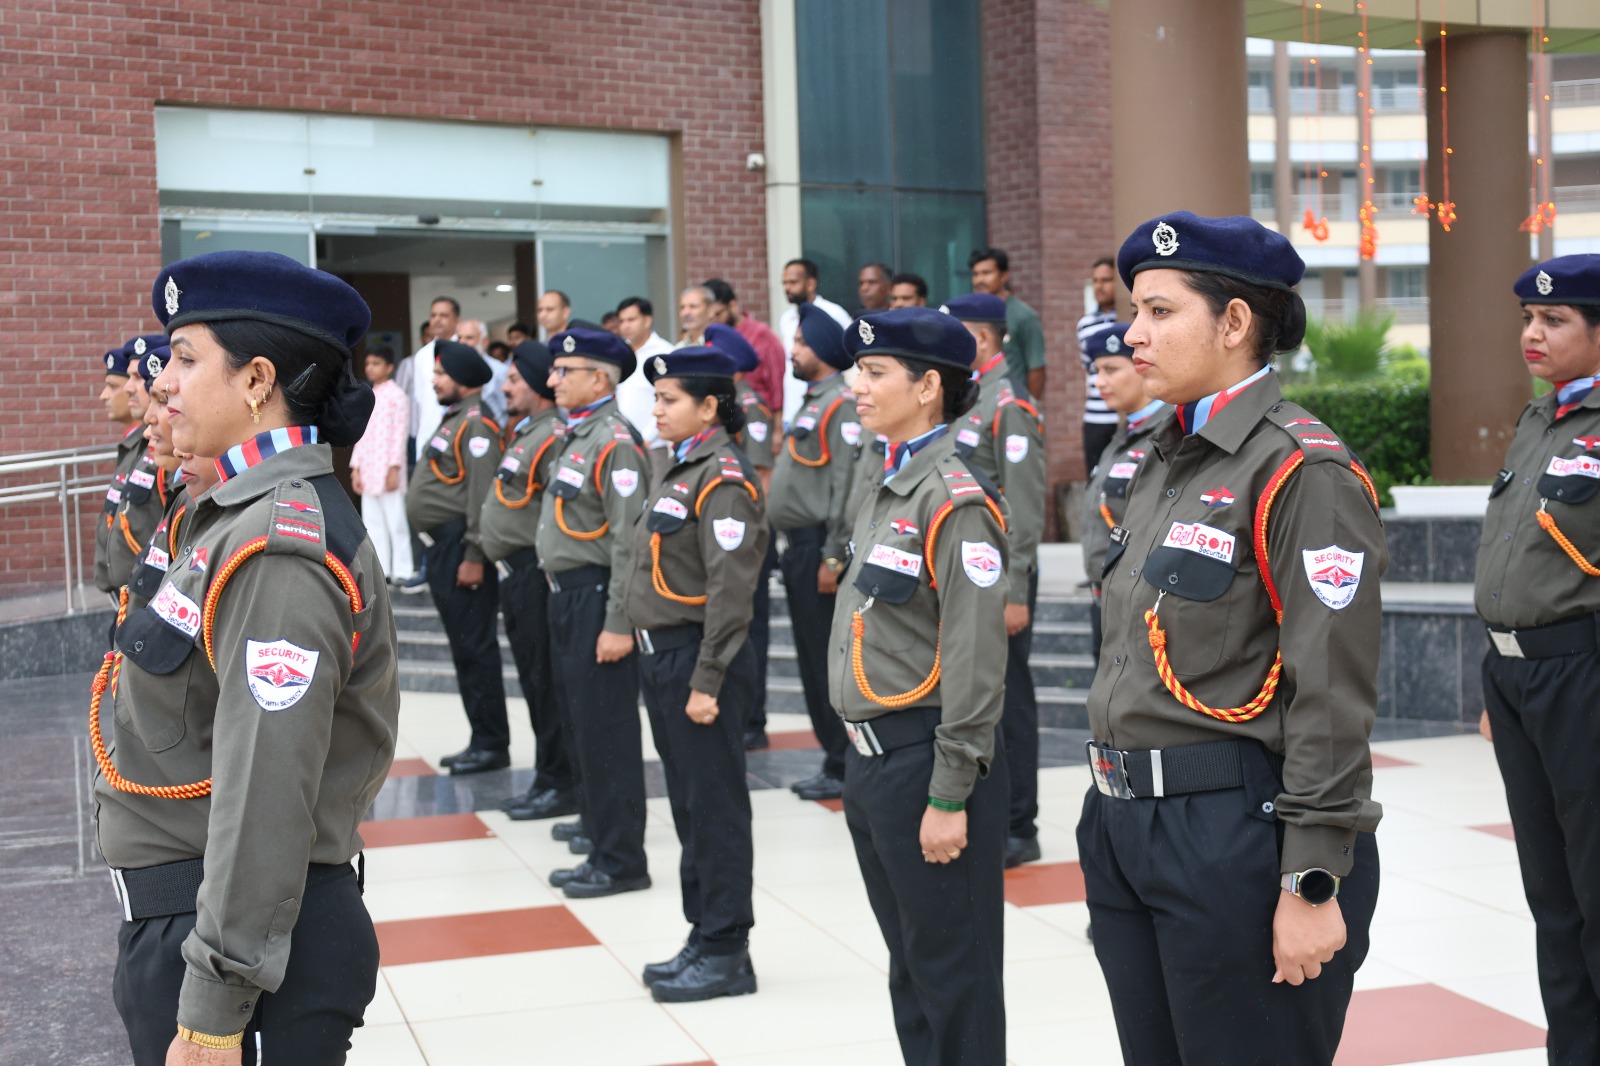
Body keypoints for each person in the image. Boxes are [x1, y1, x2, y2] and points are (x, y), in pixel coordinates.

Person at [1082, 212, 1385, 1065]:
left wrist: (1312, 878)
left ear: (1235, 322)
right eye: (1134, 312)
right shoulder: (1167, 457)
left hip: (1234, 834)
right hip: (1126, 823)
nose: (1133, 334)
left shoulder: (1300, 469)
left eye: (1159, 311)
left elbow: (1331, 689)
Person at [98, 249, 399, 1064]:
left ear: (258, 380)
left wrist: (213, 1011)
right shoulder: (226, 515)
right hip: (201, 919)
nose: (162, 383)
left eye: (185, 359)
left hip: (246, 950)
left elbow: (267, 794)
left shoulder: (273, 549)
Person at [828, 307, 1011, 1065]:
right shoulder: (889, 482)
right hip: (874, 762)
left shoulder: (954, 500)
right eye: (858, 372)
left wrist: (949, 793)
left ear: (929, 386)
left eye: (876, 373)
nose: (858, 387)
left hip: (925, 763)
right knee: (911, 966)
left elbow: (975, 659)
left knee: (954, 976)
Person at [1475, 254, 1600, 1064]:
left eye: (1555, 320)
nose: (1533, 332)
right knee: (1552, 896)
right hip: (1517, 677)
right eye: (1528, 318)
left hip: (1584, 672)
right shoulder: (1539, 421)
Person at [625, 345, 769, 1002]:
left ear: (709, 407)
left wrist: (708, 679)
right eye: (655, 399)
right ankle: (704, 931)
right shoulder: (680, 466)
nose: (657, 410)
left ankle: (727, 949)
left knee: (714, 809)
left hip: (698, 658)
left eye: (669, 399)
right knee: (688, 804)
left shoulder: (723, 479)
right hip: (664, 655)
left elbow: (731, 593)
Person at [536, 327, 653, 898]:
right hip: (566, 594)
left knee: (606, 729)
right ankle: (596, 827)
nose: (553, 379)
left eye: (565, 371)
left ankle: (621, 859)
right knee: (581, 722)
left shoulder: (615, 442)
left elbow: (630, 541)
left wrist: (618, 622)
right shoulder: (578, 434)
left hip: (596, 595)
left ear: (600, 379)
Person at [941, 294, 1047, 869]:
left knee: (1012, 704)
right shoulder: (972, 398)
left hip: (1002, 576)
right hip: (972, 573)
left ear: (980, 339)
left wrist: (1017, 589)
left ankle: (1019, 826)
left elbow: (1024, 507)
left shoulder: (1009, 404)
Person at [481, 341, 578, 824]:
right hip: (515, 575)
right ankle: (547, 776)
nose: (506, 387)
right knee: (534, 681)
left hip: (535, 573)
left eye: (516, 380)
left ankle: (560, 782)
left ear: (538, 384)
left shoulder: (552, 435)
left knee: (546, 683)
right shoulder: (527, 433)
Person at [405, 341, 510, 776]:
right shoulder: (456, 420)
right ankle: (480, 739)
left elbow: (483, 497)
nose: (434, 381)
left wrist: (474, 554)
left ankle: (491, 744)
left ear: (463, 379)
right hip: (443, 549)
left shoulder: (476, 425)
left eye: (442, 374)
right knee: (464, 648)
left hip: (460, 549)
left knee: (475, 648)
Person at [768, 304, 858, 800]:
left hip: (819, 548)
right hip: (798, 549)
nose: (793, 350)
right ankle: (832, 757)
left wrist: (833, 556)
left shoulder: (839, 404)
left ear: (823, 349)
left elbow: (846, 484)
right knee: (809, 659)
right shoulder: (813, 402)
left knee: (826, 661)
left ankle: (843, 761)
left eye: (802, 343)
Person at [1077, 321, 1169, 660]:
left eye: (1111, 369)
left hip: (1140, 603)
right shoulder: (1123, 435)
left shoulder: (1168, 434)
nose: (1100, 382)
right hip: (1105, 597)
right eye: (1096, 371)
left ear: (1143, 366)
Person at [706, 322, 778, 750]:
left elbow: (762, 476)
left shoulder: (751, 408)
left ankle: (754, 719)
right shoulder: (723, 405)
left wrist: (749, 540)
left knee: (751, 629)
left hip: (747, 539)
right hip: (727, 535)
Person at [93, 336, 163, 599]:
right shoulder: (138, 445)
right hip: (126, 597)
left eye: (138, 377)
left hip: (146, 598)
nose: (129, 389)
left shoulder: (164, 449)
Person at [350, 346, 415, 586]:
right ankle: (382, 571)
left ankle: (403, 570)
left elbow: (400, 433)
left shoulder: (397, 396)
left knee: (396, 522)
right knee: (373, 523)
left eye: (376, 363)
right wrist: (356, 468)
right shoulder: (368, 395)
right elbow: (361, 435)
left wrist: (395, 468)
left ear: (389, 367)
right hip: (368, 467)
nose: (370, 368)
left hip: (388, 468)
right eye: (368, 364)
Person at [776, 258, 853, 422]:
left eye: (793, 282)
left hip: (828, 405)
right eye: (784, 283)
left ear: (811, 284)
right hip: (794, 407)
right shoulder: (786, 318)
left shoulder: (834, 313)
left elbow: (849, 356)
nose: (787, 288)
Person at [969, 247, 1044, 401]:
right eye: (975, 274)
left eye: (986, 273)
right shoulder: (970, 315)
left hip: (1011, 405)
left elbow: (1036, 369)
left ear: (1004, 276)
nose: (979, 280)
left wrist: (1027, 408)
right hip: (978, 404)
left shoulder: (1023, 316)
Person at [705, 277, 786, 415]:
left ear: (733, 305)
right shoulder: (713, 337)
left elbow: (777, 383)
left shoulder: (761, 334)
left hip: (757, 414)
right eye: (709, 317)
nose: (714, 321)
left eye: (718, 314)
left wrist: (778, 423)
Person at [615, 296, 675, 460]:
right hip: (620, 444)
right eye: (621, 321)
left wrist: (646, 438)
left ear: (647, 320)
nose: (625, 326)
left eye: (631, 320)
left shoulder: (665, 352)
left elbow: (669, 400)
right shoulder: (618, 353)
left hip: (653, 446)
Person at [1077, 256, 1121, 474]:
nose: (1099, 286)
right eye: (1095, 281)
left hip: (1123, 416)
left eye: (1106, 280)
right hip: (1095, 416)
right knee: (1094, 477)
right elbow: (1089, 368)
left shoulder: (1127, 317)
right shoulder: (1084, 324)